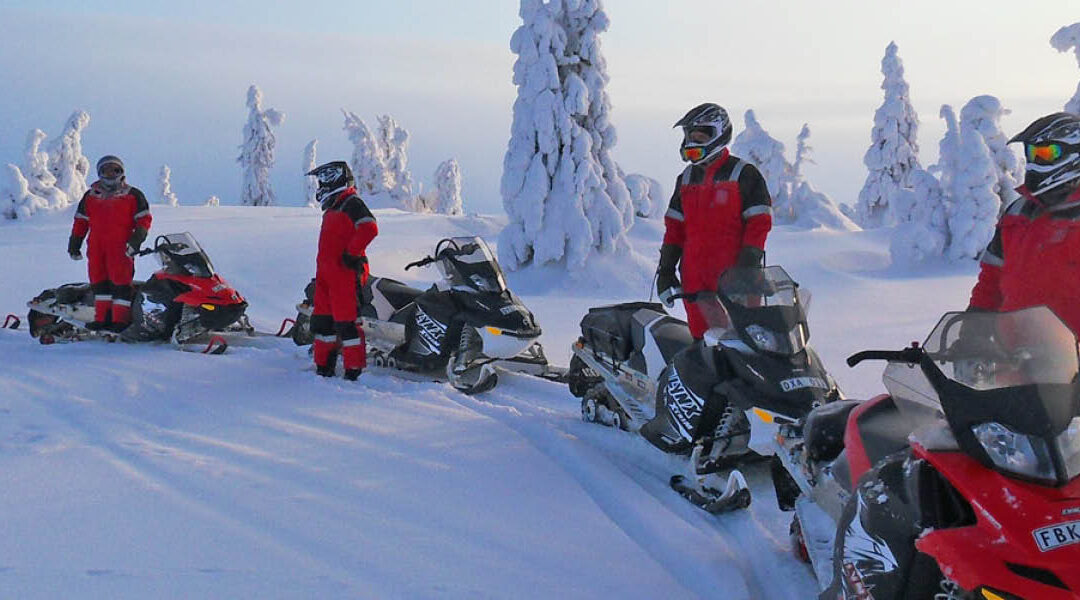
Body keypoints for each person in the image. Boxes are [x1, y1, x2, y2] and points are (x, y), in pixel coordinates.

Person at [656, 103, 773, 339]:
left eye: (700, 135)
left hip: (736, 280)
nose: (693, 142)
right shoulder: (686, 178)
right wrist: (666, 270)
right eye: (690, 136)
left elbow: (759, 223)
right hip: (695, 282)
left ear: (719, 134)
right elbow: (675, 230)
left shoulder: (743, 174)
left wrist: (748, 266)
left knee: (746, 343)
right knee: (706, 345)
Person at [968, 112, 1080, 335]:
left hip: (1070, 360)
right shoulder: (1017, 214)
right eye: (1032, 153)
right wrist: (973, 331)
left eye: (1047, 153)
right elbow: (991, 279)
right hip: (1014, 358)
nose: (1036, 161)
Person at [307, 161, 378, 381]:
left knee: (347, 324)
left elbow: (370, 228)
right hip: (326, 275)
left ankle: (353, 370)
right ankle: (323, 367)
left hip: (345, 274)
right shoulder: (333, 207)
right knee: (322, 322)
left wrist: (352, 253)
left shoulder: (351, 202)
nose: (322, 184)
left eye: (327, 178)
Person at [67, 155, 152, 332]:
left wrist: (136, 241)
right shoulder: (90, 196)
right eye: (106, 170)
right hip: (97, 247)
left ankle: (120, 320)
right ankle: (102, 319)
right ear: (99, 173)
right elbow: (81, 222)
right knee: (99, 283)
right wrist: (74, 244)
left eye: (114, 170)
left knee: (120, 284)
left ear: (121, 172)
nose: (110, 173)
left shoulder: (132, 195)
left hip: (121, 247)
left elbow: (144, 220)